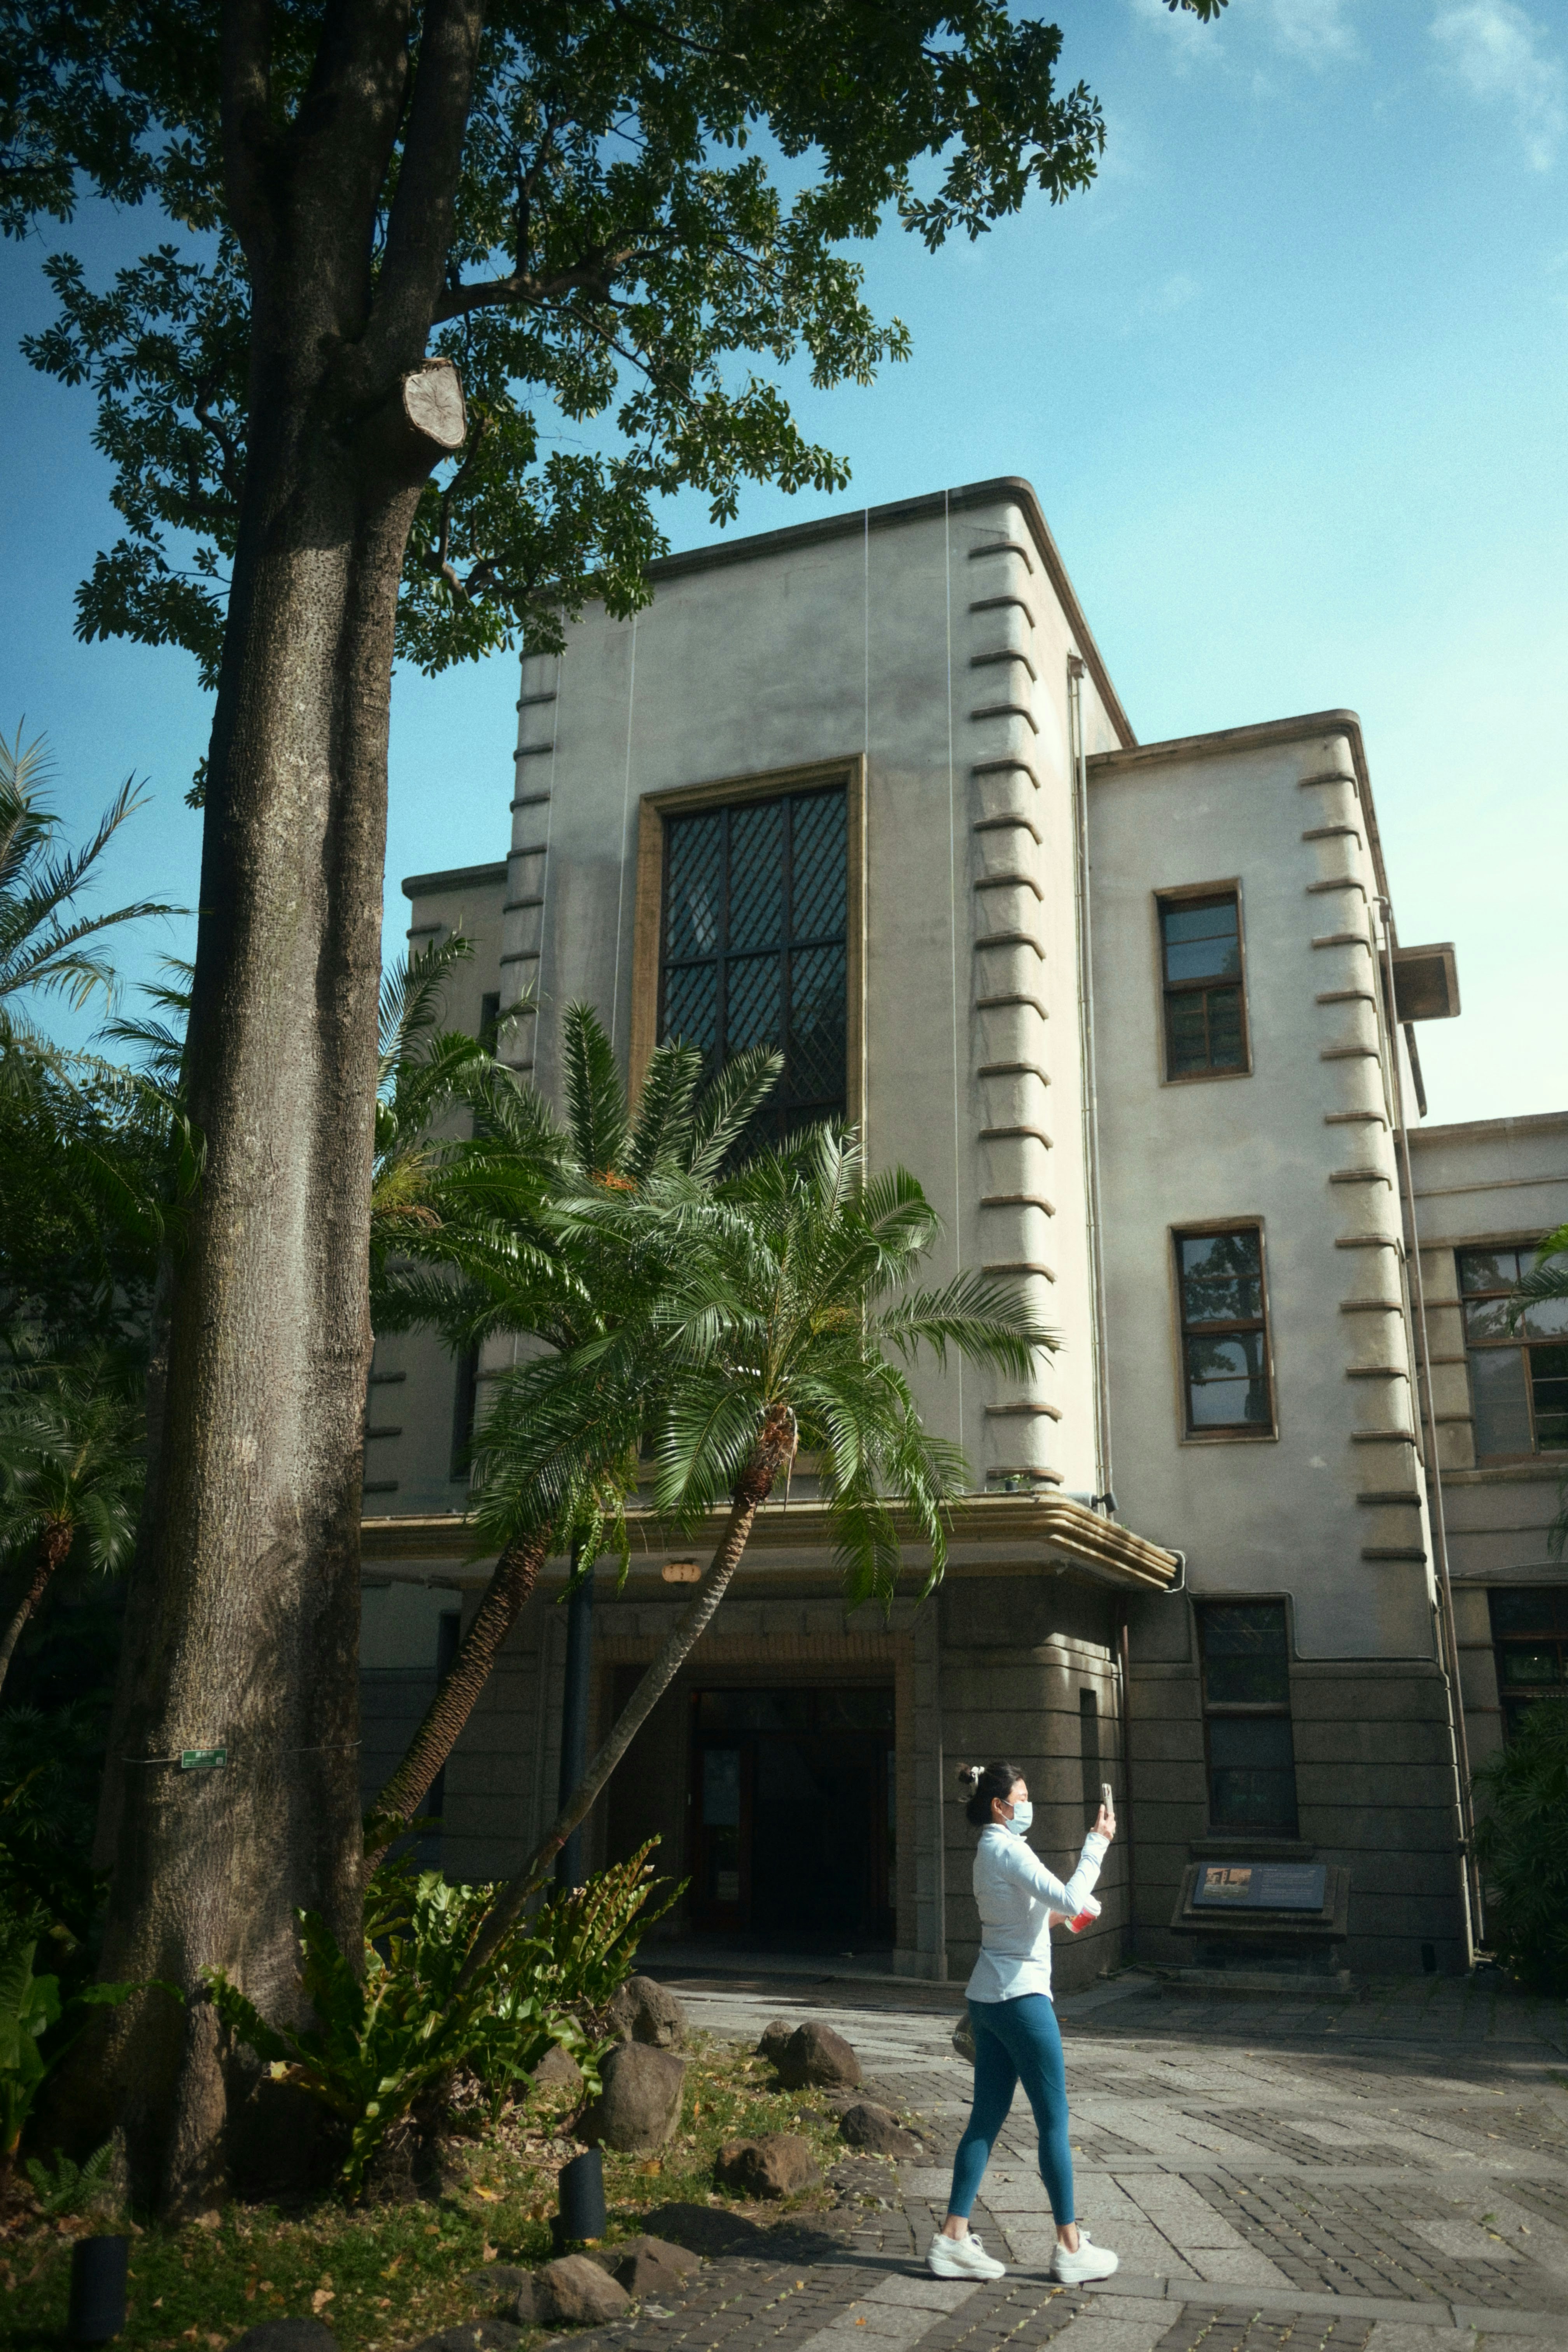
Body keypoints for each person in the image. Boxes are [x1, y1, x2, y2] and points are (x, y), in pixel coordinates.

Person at [928, 1760, 1119, 2286]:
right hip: (1023, 2000)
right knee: (1054, 2122)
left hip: (988, 2000)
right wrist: (1097, 1844)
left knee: (985, 2119)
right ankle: (1071, 2248)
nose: (1029, 1805)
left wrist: (1073, 1913)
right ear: (999, 1806)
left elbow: (1031, 1920)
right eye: (1023, 1797)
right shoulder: (1011, 1850)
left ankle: (952, 2238)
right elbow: (1068, 1896)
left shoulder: (987, 1852)